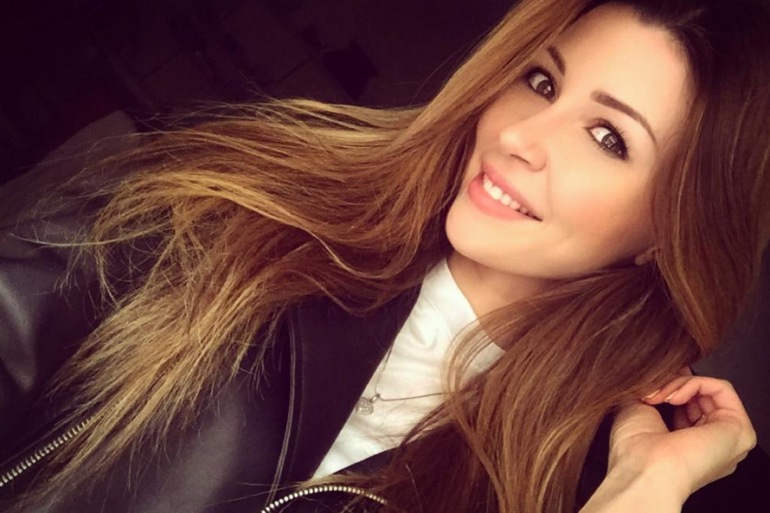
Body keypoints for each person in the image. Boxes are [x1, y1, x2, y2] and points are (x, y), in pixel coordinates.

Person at [0, 0, 769, 511]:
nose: (518, 135)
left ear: (668, 234)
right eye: (541, 81)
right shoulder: (247, 214)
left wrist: (644, 488)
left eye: (607, 137)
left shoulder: (561, 482)